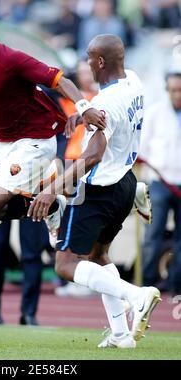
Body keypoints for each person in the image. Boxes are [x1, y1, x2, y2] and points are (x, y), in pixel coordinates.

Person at [0, 4, 106, 244]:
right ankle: (52, 200)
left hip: (35, 141)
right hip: (4, 146)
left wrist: (84, 107)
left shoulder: (7, 59)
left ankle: (53, 202)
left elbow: (59, 81)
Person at [28, 34, 161, 349]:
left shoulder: (103, 103)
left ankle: (136, 295)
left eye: (89, 58)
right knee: (99, 257)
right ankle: (120, 335)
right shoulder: (134, 81)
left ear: (100, 62)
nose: (87, 64)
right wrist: (82, 117)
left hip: (98, 189)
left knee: (65, 264)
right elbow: (109, 121)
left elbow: (93, 155)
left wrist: (54, 190)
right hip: (126, 183)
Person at [0, 108, 49, 326]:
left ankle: (29, 314)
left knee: (32, 250)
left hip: (31, 176)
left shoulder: (37, 99)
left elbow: (55, 133)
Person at [139, 72, 181, 295]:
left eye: (180, 90)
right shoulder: (155, 113)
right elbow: (142, 149)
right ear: (167, 90)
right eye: (173, 90)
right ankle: (147, 286)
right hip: (159, 182)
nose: (177, 95)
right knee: (153, 235)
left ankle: (177, 286)